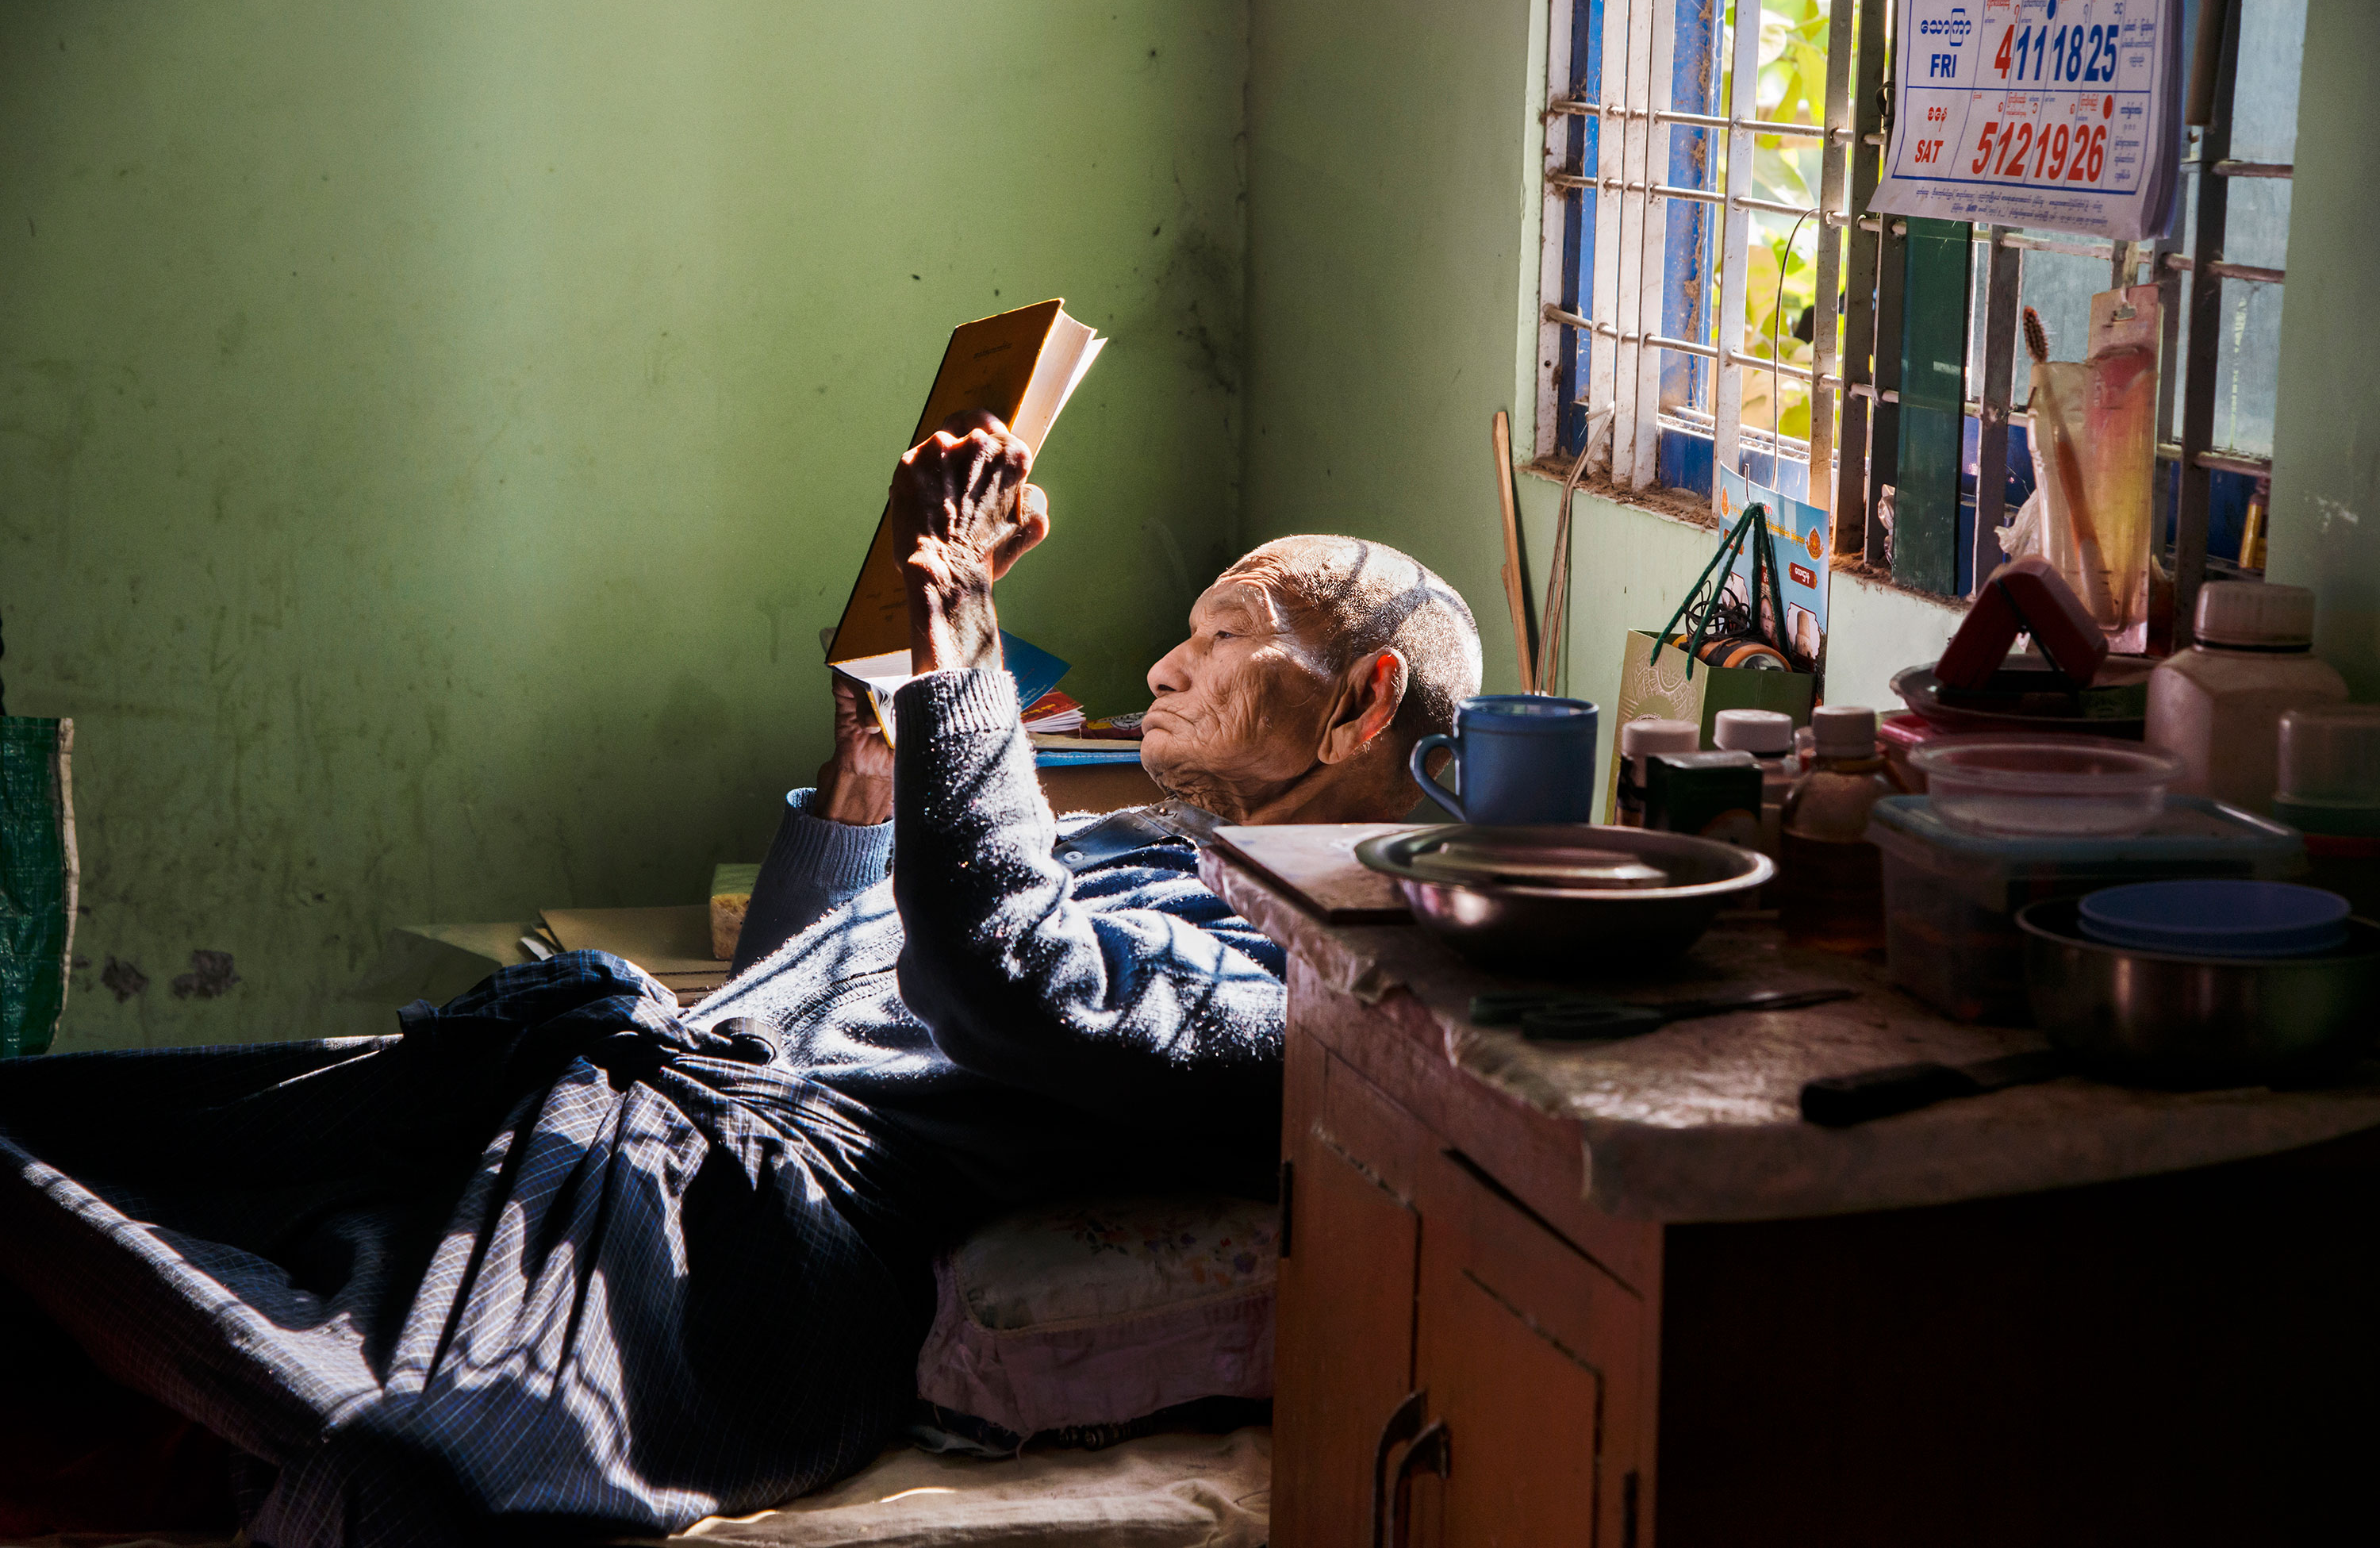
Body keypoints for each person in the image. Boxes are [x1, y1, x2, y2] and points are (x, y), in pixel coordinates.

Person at [0, 413, 1480, 1547]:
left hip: (767, 1242)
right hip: (646, 1112)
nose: (1166, 661)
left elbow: (1014, 982)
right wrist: (874, 767)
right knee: (84, 1166)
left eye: (1224, 638)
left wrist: (963, 634)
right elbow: (784, 983)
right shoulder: (1150, 840)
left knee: (402, 1468)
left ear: (1359, 704)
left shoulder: (1325, 969)